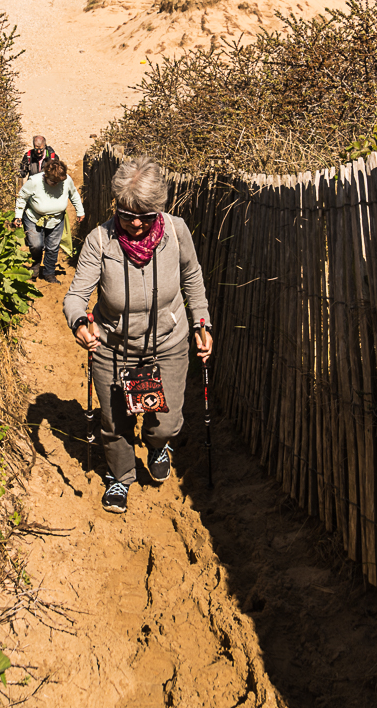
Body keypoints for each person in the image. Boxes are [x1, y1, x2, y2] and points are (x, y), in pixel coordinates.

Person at [63, 156, 213, 514]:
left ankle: (158, 444)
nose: (134, 223)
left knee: (167, 421)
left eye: (144, 216)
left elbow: (192, 277)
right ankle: (120, 476)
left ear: (159, 210)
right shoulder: (101, 240)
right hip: (113, 348)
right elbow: (76, 296)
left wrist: (201, 322)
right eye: (127, 213)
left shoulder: (176, 233)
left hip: (168, 345)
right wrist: (80, 325)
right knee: (114, 423)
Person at [14, 159, 84, 282]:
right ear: (46, 175)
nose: (56, 184)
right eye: (53, 181)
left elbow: (73, 194)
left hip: (57, 219)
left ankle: (49, 273)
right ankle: (35, 266)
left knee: (53, 247)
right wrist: (18, 215)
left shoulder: (66, 180)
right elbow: (22, 198)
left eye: (59, 181)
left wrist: (80, 211)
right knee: (36, 245)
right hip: (34, 218)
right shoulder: (34, 181)